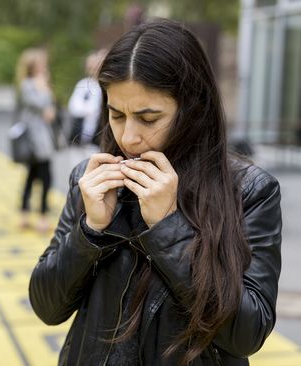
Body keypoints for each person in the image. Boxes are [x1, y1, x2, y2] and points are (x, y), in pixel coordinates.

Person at [29, 19, 281, 365]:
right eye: (117, 115)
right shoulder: (93, 179)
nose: (128, 137)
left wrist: (168, 228)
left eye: (148, 119)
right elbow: (46, 307)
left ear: (192, 109)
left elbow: (247, 333)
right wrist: (89, 231)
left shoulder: (249, 190)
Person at [15, 48, 56, 233]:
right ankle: (37, 216)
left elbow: (50, 107)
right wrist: (43, 86)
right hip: (34, 138)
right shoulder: (29, 84)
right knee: (41, 176)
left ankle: (29, 214)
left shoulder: (39, 83)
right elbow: (41, 104)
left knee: (35, 175)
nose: (44, 66)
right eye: (40, 63)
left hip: (42, 137)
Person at [67, 50, 106, 146]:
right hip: (84, 134)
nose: (93, 68)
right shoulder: (83, 84)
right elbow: (74, 107)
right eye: (90, 66)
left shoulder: (107, 85)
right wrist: (90, 110)